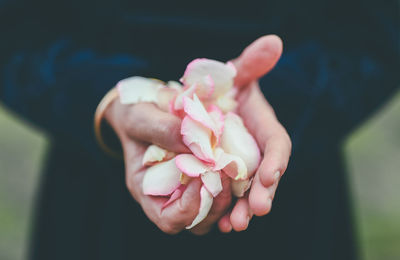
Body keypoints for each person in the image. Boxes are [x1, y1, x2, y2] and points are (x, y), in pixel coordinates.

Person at [0, 0, 398, 259]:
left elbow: (382, 31)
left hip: (286, 192)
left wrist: (274, 100)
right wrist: (104, 99)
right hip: (96, 198)